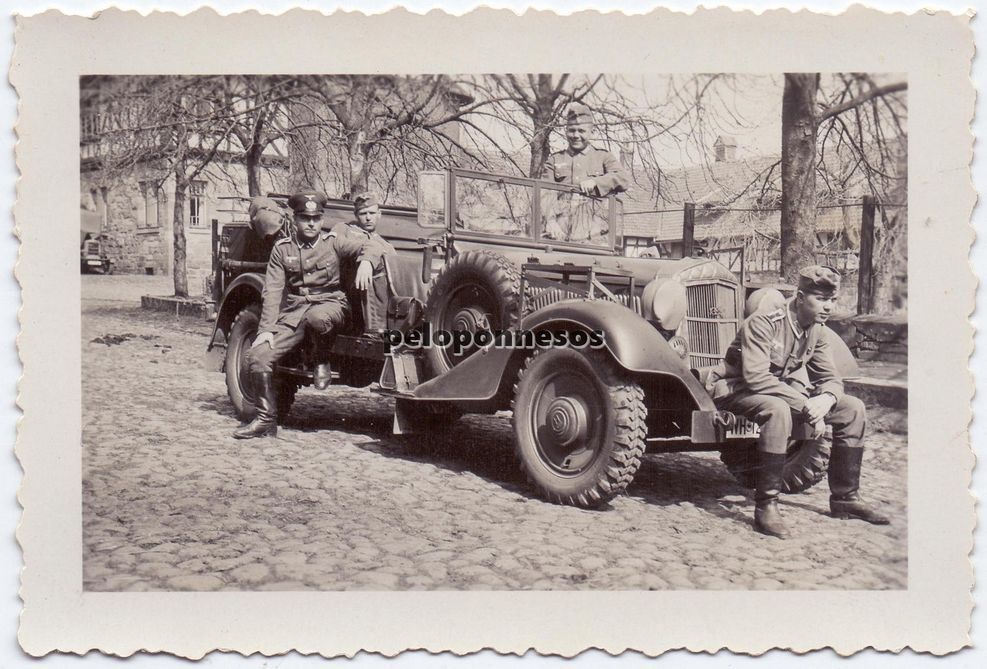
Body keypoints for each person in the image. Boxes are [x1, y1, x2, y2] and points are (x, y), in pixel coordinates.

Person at [708, 266, 889, 538]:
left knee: (853, 409)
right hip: (737, 391)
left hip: (776, 393)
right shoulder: (765, 322)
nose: (828, 307)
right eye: (820, 299)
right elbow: (757, 378)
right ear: (800, 297)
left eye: (832, 300)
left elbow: (831, 379)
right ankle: (766, 506)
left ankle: (846, 498)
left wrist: (825, 400)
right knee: (778, 409)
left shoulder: (817, 331)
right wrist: (805, 404)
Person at [233, 190, 382, 440]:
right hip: (295, 312)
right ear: (295, 220)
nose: (311, 223)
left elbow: (371, 244)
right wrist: (266, 330)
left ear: (322, 220)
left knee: (318, 318)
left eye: (315, 218)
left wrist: (367, 261)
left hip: (330, 306)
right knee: (257, 356)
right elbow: (272, 290)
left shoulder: (333, 242)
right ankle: (266, 420)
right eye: (304, 218)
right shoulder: (282, 249)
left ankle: (321, 359)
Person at [542, 103, 628, 243]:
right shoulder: (555, 160)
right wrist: (550, 221)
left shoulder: (603, 157)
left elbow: (623, 179)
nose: (576, 135)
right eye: (572, 130)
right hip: (559, 235)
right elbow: (544, 194)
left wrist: (596, 182)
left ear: (592, 132)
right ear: (566, 131)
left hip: (594, 235)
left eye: (581, 131)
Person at [331, 193, 397, 334]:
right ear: (355, 215)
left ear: (379, 214)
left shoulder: (386, 245)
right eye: (363, 213)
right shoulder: (343, 229)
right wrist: (366, 261)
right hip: (348, 290)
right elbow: (335, 249)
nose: (368, 217)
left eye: (372, 213)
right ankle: (375, 331)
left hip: (381, 296)